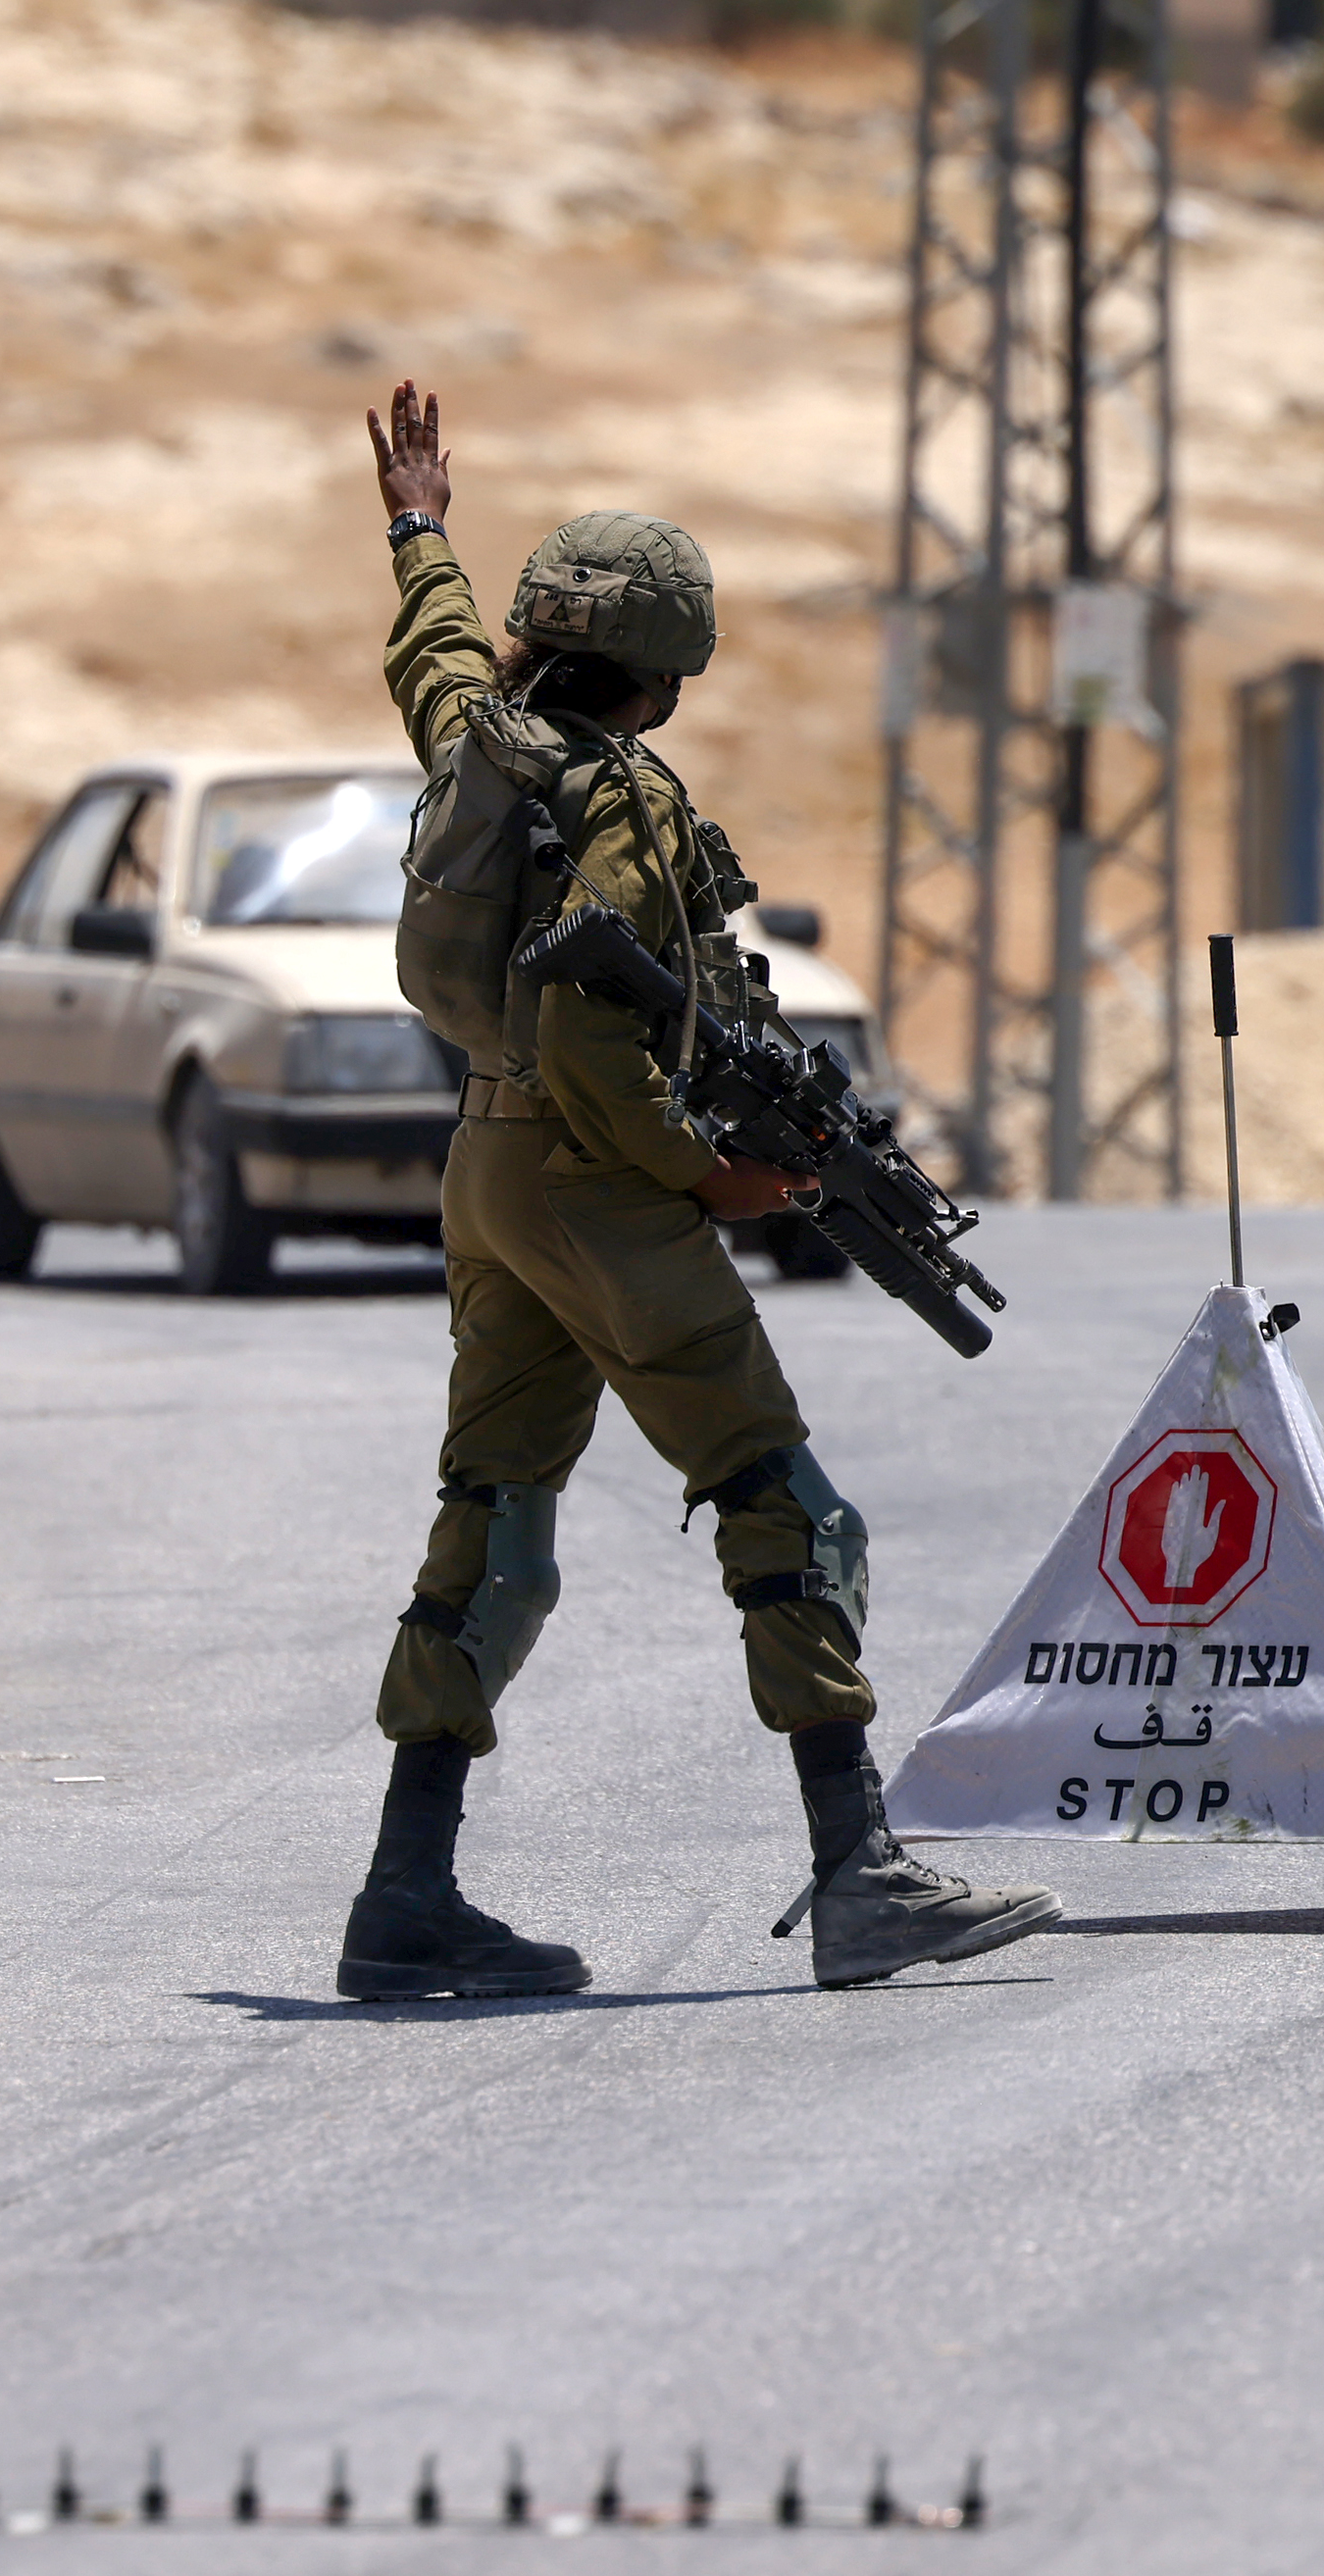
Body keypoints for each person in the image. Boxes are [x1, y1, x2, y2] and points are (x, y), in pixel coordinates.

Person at [342, 379, 1064, 1999]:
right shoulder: (625, 799)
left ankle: (404, 1892)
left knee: (497, 1510)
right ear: (667, 671)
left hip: (489, 1167)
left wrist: (418, 526)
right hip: (603, 1183)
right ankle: (856, 1865)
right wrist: (717, 1173)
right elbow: (604, 1034)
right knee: (781, 1501)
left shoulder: (486, 742)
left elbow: (433, 653)